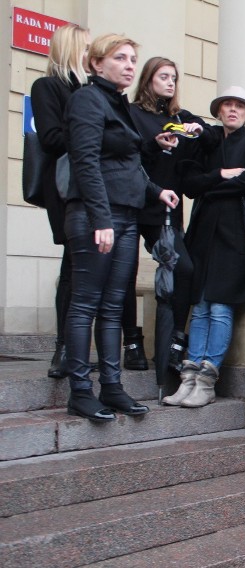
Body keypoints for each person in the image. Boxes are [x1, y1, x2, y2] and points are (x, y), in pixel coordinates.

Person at [63, 34, 180, 421]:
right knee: (86, 304)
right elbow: (86, 162)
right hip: (97, 216)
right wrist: (100, 219)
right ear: (97, 64)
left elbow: (127, 165)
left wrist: (156, 190)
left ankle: (111, 388)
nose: (130, 65)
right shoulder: (86, 100)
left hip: (127, 215)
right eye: (120, 58)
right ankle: (81, 391)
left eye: (133, 59)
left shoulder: (118, 103)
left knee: (114, 307)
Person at [179, 86, 245, 408]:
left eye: (239, 106)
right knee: (200, 306)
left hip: (236, 234)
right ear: (219, 111)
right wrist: (220, 175)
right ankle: (188, 376)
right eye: (227, 105)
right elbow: (188, 185)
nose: (233, 110)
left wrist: (210, 187)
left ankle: (207, 380)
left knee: (220, 307)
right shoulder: (208, 140)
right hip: (204, 233)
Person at [128, 56, 204, 395]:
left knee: (184, 268)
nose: (170, 83)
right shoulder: (134, 114)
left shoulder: (178, 117)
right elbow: (128, 156)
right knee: (124, 273)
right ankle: (132, 342)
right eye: (163, 77)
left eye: (174, 77)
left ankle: (176, 340)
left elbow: (202, 129)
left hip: (169, 210)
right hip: (137, 203)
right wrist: (153, 144)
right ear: (148, 79)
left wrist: (194, 128)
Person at [30, 24, 90, 380]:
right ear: (71, 50)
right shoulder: (48, 86)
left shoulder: (89, 90)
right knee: (72, 267)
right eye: (86, 49)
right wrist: (88, 125)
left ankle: (76, 348)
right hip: (66, 189)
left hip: (95, 188)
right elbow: (51, 138)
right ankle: (64, 349)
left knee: (85, 270)